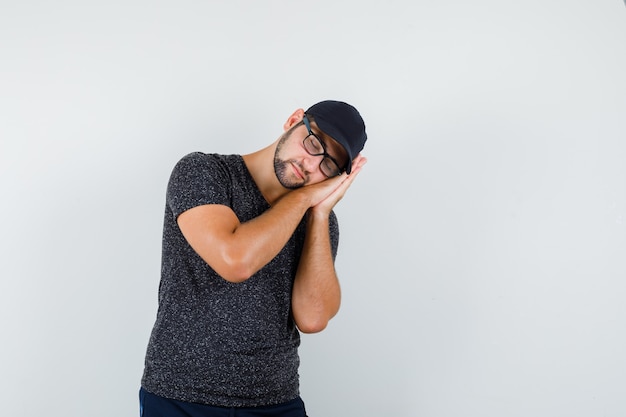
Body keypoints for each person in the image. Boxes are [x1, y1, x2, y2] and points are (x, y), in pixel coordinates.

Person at [140, 100, 368, 417]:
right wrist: (303, 197)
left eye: (329, 166)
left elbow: (313, 318)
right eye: (314, 143)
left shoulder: (319, 221)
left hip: (275, 402)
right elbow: (236, 261)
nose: (312, 165)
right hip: (181, 396)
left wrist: (318, 214)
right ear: (293, 120)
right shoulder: (203, 172)